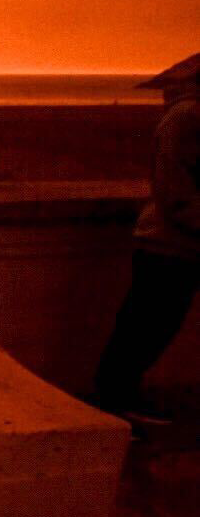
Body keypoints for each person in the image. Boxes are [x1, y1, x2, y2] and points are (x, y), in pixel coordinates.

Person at [91, 51, 200, 429]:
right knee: (144, 329)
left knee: (148, 328)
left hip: (174, 244)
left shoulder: (186, 115)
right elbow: (176, 192)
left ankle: (116, 401)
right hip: (169, 245)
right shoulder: (188, 117)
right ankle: (113, 404)